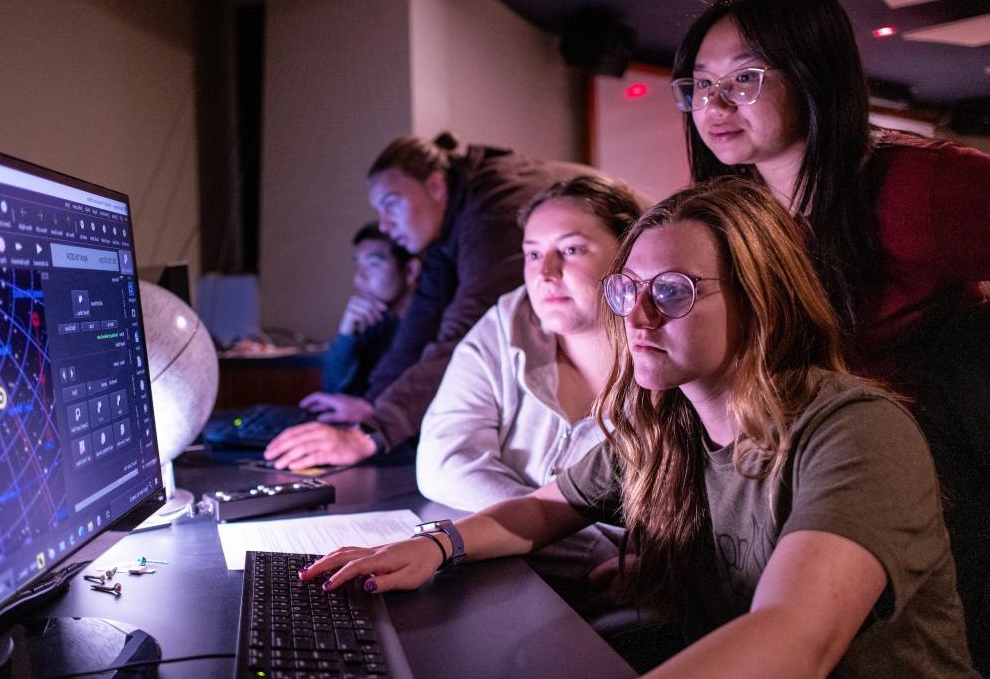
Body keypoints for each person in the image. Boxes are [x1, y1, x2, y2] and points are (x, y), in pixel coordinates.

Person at [301, 179, 976, 677]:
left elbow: (796, 639)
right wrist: (437, 543)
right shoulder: (664, 425)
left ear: (761, 300)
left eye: (674, 293)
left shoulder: (854, 433)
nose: (638, 317)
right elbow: (544, 508)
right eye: (629, 291)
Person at [671, 0, 990, 669]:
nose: (714, 104)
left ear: (812, 74)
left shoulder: (919, 187)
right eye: (700, 85)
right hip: (799, 484)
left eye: (745, 78)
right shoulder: (732, 211)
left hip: (928, 486)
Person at [266, 133, 601, 470]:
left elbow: (463, 333)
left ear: (436, 186)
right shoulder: (454, 222)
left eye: (391, 203)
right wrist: (373, 409)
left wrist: (370, 433)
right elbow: (423, 319)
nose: (384, 223)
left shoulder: (491, 215)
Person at [414, 176, 640, 593]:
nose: (545, 273)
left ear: (629, 255)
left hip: (632, 600)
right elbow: (443, 461)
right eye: (533, 254)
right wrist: (596, 550)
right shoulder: (508, 320)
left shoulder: (667, 350)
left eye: (571, 250)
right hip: (509, 579)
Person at [320, 224, 421, 398]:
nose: (360, 277)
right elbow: (332, 389)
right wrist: (346, 333)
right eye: (358, 266)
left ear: (410, 271)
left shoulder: (429, 329)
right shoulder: (379, 325)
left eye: (373, 265)